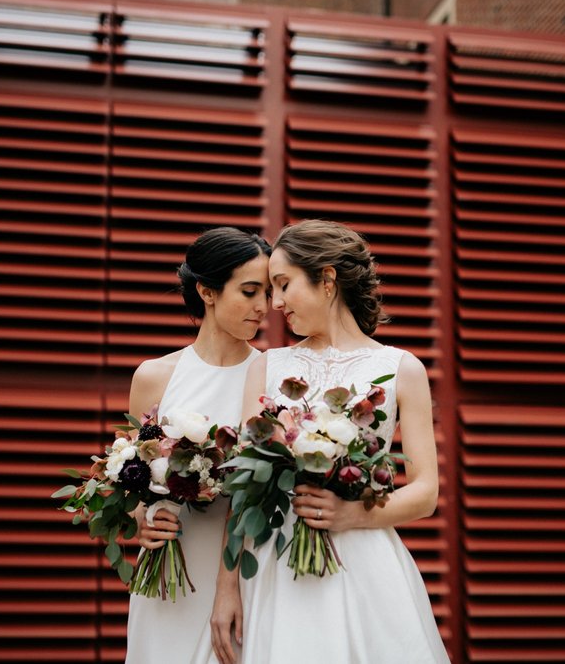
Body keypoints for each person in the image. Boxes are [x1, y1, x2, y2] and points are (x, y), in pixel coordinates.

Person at [210, 219, 449, 664]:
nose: (275, 303)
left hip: (365, 560)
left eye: (283, 285)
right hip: (277, 564)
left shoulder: (403, 369)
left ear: (326, 279)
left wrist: (352, 513)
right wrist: (227, 592)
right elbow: (242, 489)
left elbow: (425, 491)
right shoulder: (267, 367)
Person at [125, 227, 271, 664]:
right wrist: (140, 523)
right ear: (207, 291)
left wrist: (230, 589)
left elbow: (259, 494)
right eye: (249, 291)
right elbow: (128, 480)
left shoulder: (271, 374)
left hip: (244, 571)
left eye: (268, 291)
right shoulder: (153, 376)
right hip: (170, 570)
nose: (263, 306)